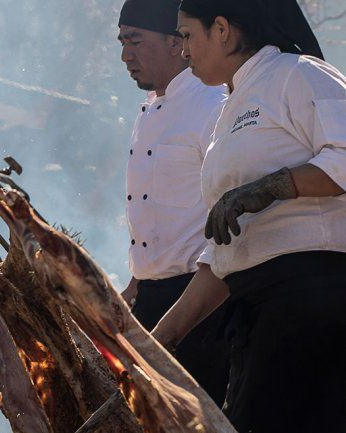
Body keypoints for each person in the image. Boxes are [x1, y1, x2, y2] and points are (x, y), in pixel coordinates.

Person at [153, 1, 346, 431]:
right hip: (256, 314)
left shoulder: (298, 74)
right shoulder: (228, 111)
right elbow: (228, 249)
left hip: (316, 302)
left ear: (221, 28)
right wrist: (160, 340)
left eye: (186, 35)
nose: (182, 51)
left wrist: (269, 188)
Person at [116, 0, 229, 405]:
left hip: (202, 303)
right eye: (121, 42)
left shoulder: (212, 106)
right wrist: (135, 284)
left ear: (173, 42)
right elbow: (153, 211)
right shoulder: (147, 111)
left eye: (135, 40)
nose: (126, 54)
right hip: (150, 298)